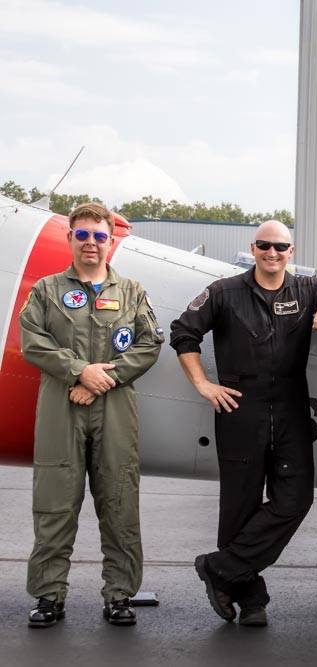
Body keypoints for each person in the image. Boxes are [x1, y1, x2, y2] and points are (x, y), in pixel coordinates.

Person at [170, 220, 317, 626]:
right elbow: (182, 333)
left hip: (292, 410)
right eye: (264, 245)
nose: (272, 252)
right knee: (239, 508)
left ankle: (221, 569)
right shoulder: (224, 292)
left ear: (291, 251)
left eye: (280, 246)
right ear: (254, 248)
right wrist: (203, 384)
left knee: (296, 500)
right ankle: (251, 601)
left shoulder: (309, 290)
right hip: (240, 410)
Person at [20, 202, 164, 627]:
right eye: (82, 235)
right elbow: (33, 341)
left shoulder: (133, 292)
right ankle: (49, 596)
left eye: (99, 236)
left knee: (119, 500)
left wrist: (105, 377)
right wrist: (80, 371)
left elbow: (149, 343)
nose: (91, 243)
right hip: (60, 405)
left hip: (115, 406)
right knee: (54, 502)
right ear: (70, 239)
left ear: (110, 240)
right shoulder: (46, 291)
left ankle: (119, 594)